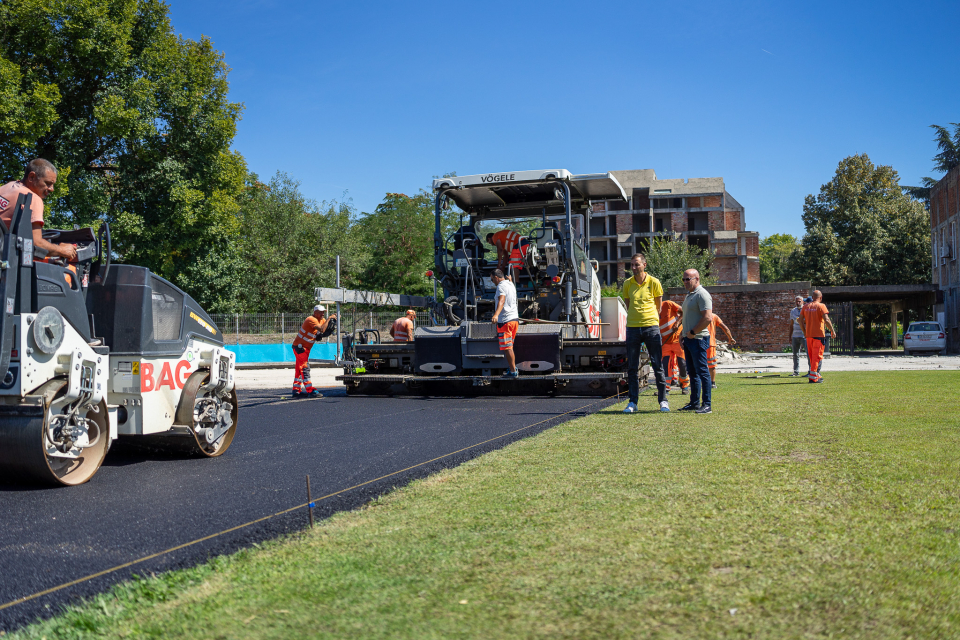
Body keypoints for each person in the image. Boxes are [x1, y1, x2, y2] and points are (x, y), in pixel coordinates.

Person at [0, 159, 77, 261]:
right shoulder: (32, 199)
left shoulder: (7, 187)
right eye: (48, 183)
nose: (52, 189)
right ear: (31, 177)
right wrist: (62, 250)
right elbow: (35, 244)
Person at [620, 253, 669, 413]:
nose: (634, 268)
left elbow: (658, 307)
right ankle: (633, 402)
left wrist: (650, 320)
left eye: (637, 264)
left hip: (651, 327)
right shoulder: (627, 284)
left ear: (644, 265)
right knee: (632, 367)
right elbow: (628, 305)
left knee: (657, 364)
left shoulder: (654, 282)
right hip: (633, 328)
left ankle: (663, 401)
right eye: (632, 265)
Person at [679, 269, 713, 414]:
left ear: (697, 278)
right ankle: (694, 402)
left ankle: (707, 404)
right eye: (684, 279)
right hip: (689, 339)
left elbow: (707, 318)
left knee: (702, 372)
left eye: (688, 279)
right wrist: (682, 334)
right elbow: (688, 318)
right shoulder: (689, 295)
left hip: (698, 339)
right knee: (692, 372)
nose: (685, 282)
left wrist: (693, 332)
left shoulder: (702, 294)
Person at [291, 304, 337, 397]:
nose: (322, 314)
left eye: (323, 312)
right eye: (320, 312)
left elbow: (324, 330)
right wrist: (329, 319)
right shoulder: (311, 319)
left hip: (305, 348)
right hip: (300, 348)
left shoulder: (321, 320)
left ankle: (296, 390)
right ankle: (310, 390)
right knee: (304, 368)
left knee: (299, 370)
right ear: (315, 312)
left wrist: (334, 320)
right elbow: (322, 329)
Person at [798, 290, 835, 383]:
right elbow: (826, 319)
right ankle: (813, 377)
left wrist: (804, 331)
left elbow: (800, 320)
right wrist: (832, 331)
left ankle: (817, 375)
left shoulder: (805, 306)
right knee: (817, 357)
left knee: (811, 357)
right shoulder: (821, 306)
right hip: (819, 335)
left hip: (808, 335)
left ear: (812, 297)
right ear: (821, 297)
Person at [490, 269, 519, 378]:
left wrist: (496, 315)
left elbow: (502, 300)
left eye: (492, 279)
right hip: (514, 320)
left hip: (506, 321)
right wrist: (510, 279)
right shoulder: (510, 284)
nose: (492, 281)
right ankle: (512, 368)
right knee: (510, 346)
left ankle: (513, 372)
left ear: (496, 277)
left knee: (508, 348)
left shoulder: (501, 286)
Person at [658, 299, 689, 395]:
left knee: (682, 363)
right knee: (665, 364)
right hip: (665, 343)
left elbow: (684, 312)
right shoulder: (651, 310)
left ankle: (684, 385)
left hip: (677, 341)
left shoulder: (668, 304)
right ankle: (666, 387)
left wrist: (677, 323)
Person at [707, 314, 736, 389]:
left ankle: (696, 382)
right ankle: (712, 383)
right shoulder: (714, 316)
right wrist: (730, 338)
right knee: (712, 365)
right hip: (711, 344)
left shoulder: (696, 314)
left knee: (698, 364)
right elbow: (725, 327)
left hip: (698, 343)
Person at [789, 295, 806, 376]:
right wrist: (790, 336)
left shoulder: (806, 310)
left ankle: (811, 371)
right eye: (797, 301)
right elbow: (791, 324)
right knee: (795, 354)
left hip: (804, 335)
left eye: (799, 301)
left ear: (803, 302)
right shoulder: (793, 311)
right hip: (795, 335)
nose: (798, 303)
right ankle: (796, 371)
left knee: (808, 353)